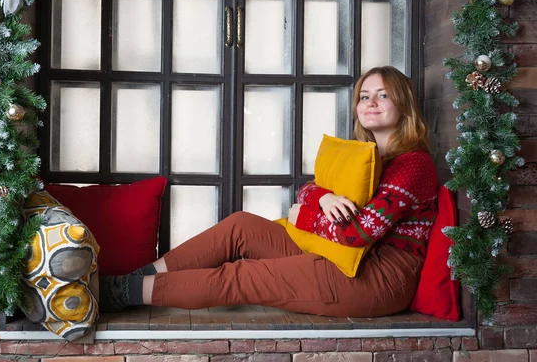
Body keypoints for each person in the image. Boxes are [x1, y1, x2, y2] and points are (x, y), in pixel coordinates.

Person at [99, 66, 439, 318]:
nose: (371, 103)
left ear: (404, 104)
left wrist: (303, 216)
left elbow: (359, 232)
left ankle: (117, 291)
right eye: (364, 96)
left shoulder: (413, 164)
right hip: (338, 255)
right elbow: (308, 187)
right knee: (241, 225)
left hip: (378, 278)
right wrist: (321, 197)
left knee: (242, 276)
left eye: (383, 95)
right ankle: (132, 280)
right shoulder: (364, 157)